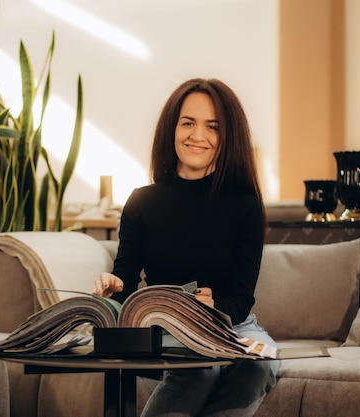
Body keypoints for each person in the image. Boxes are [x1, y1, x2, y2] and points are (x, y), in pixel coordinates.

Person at [92, 78, 279, 417]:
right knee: (200, 367)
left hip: (230, 324)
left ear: (228, 137)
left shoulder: (245, 205)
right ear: (172, 129)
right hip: (164, 325)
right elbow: (126, 284)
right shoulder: (141, 202)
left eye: (213, 127)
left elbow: (241, 296)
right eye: (188, 123)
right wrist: (114, 286)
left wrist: (215, 310)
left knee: (261, 365)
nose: (197, 136)